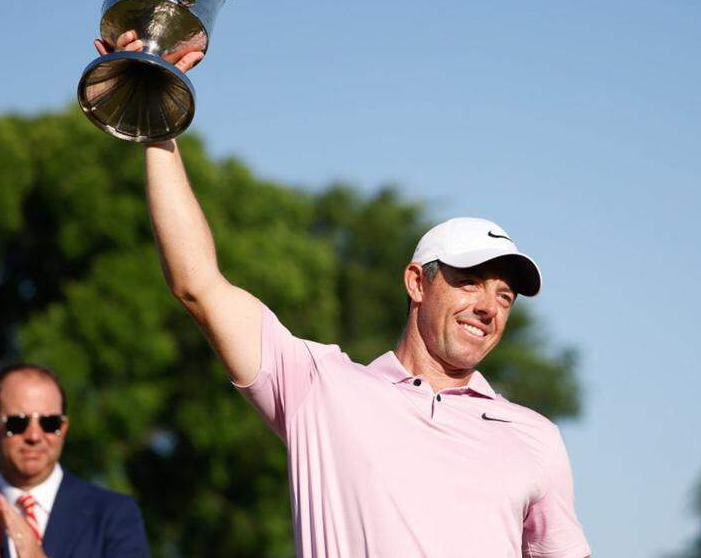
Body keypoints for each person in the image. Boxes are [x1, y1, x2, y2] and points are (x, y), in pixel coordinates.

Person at [99, 32, 591, 557]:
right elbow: (197, 284)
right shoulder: (321, 387)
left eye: (505, 296)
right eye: (469, 281)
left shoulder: (534, 438)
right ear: (416, 283)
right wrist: (157, 126)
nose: (488, 307)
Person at [0, 363, 150, 558]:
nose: (34, 436)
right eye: (17, 423)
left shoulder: (114, 515)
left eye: (49, 423)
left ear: (63, 428)